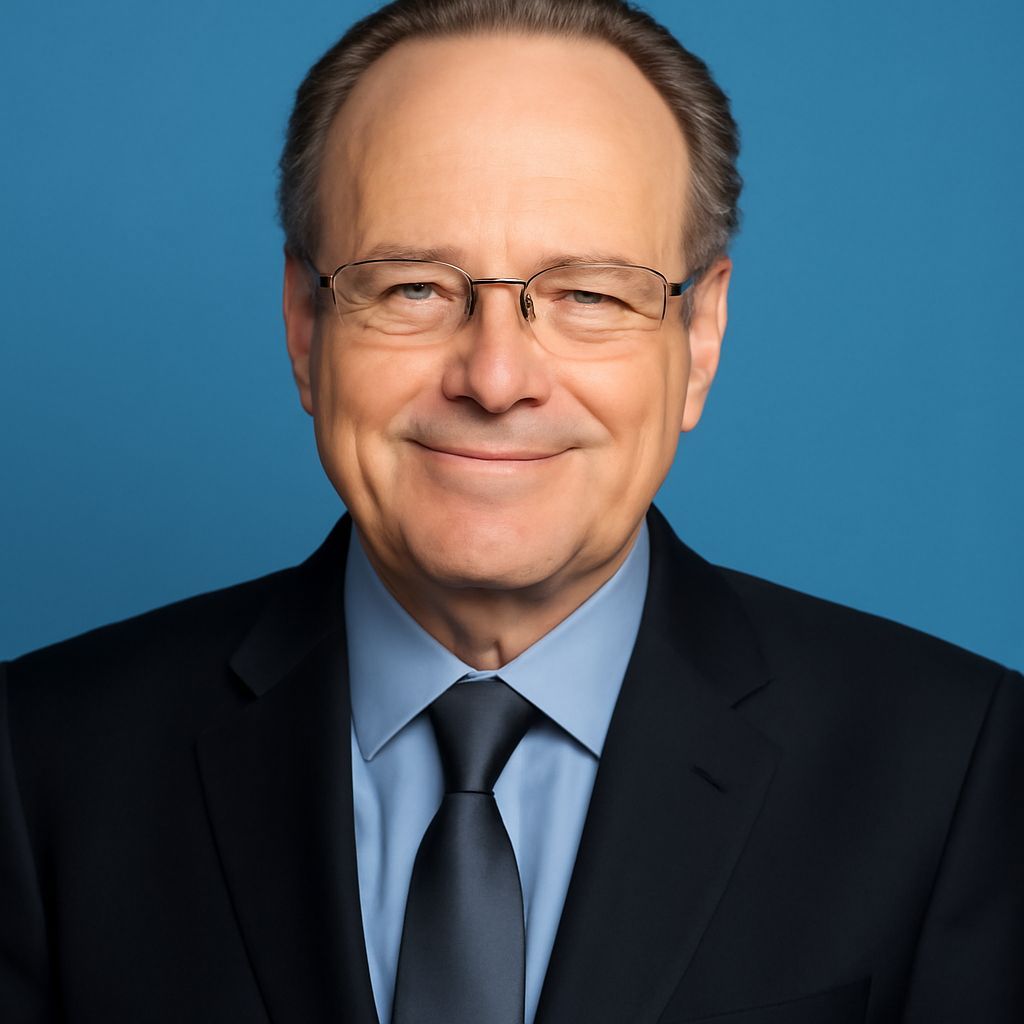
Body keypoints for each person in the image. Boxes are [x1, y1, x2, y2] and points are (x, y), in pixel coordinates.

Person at [1, 0, 1021, 1021]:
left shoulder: (956, 772)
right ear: (306, 326)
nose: (495, 378)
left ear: (700, 336)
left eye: (589, 293)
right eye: (410, 287)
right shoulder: (40, 762)